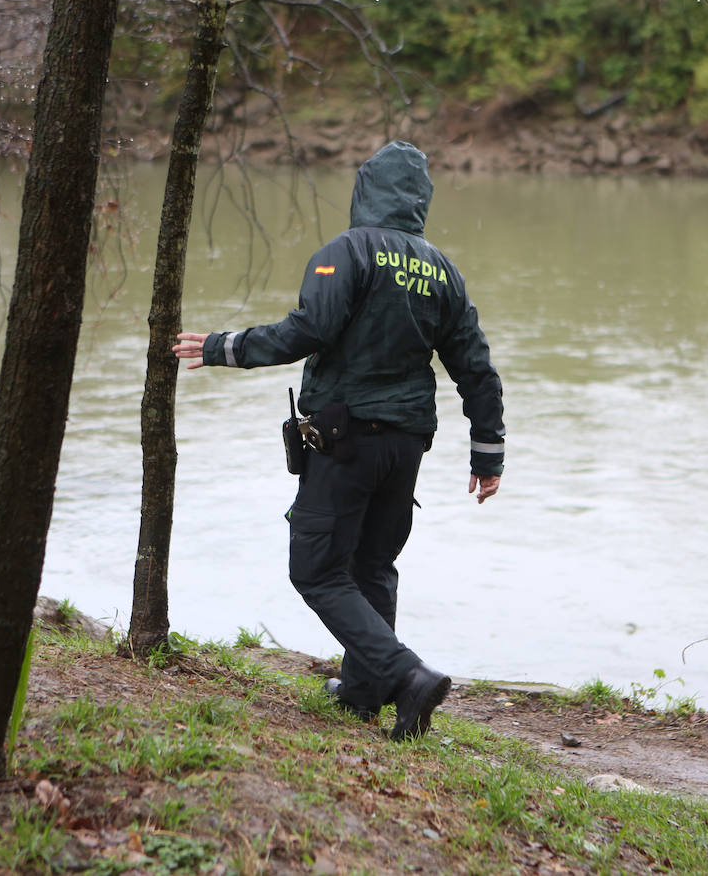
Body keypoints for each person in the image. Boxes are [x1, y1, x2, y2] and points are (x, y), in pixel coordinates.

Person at [172, 141, 504, 741]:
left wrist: (226, 347)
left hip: (346, 436)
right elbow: (474, 368)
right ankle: (363, 691)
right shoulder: (443, 270)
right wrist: (488, 451)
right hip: (408, 443)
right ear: (419, 200)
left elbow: (310, 329)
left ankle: (407, 677)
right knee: (372, 562)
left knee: (319, 569)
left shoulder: (346, 251)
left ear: (365, 190)